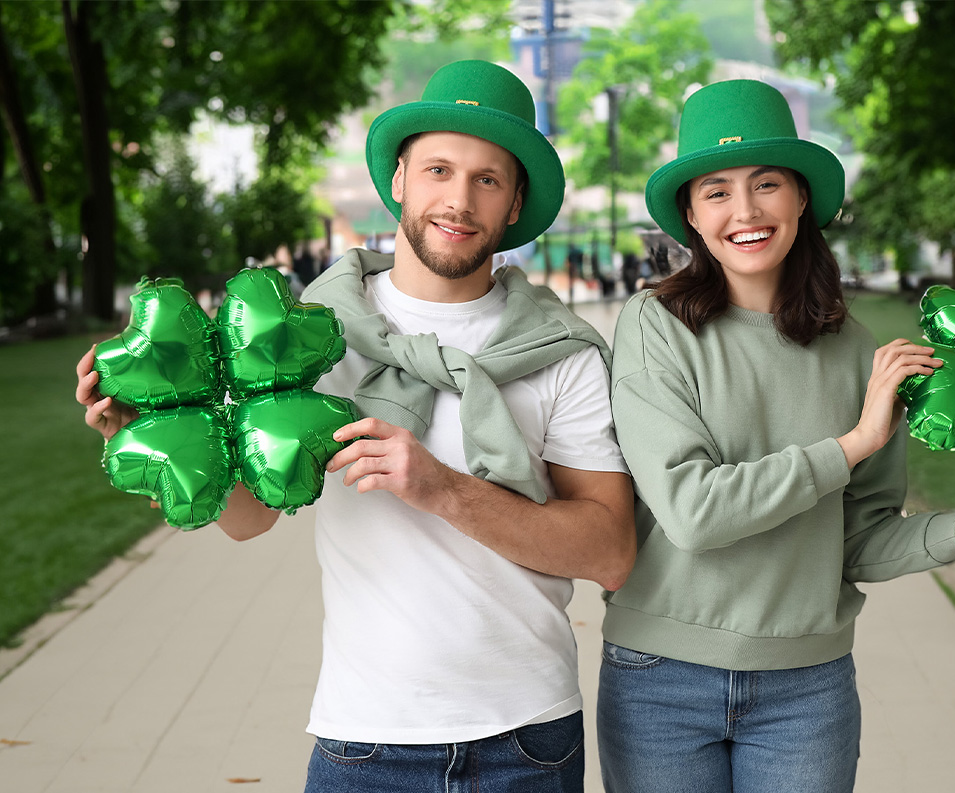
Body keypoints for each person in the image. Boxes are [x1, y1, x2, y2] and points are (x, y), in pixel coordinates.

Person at [76, 60, 636, 793]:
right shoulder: (306, 334)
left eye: (487, 180)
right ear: (400, 179)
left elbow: (610, 551)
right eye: (438, 169)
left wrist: (442, 489)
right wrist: (144, 432)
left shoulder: (558, 351)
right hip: (365, 740)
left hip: (525, 738)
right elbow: (248, 521)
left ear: (514, 202)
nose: (458, 200)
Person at [595, 79, 955, 793]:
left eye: (766, 182)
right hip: (660, 682)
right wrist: (854, 442)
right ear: (691, 214)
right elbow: (694, 513)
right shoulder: (657, 327)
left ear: (801, 197)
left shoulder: (862, 354)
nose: (745, 210)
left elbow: (857, 542)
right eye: (717, 190)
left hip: (807, 692)